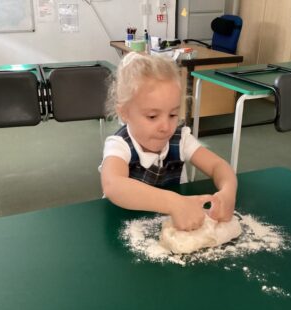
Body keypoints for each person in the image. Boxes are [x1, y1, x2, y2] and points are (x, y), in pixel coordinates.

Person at [100, 52, 237, 231]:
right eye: (152, 116)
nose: (165, 126)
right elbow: (113, 185)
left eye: (173, 114)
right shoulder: (119, 145)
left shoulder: (180, 140)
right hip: (122, 227)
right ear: (124, 113)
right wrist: (174, 203)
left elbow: (218, 166)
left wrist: (227, 193)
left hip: (169, 225)